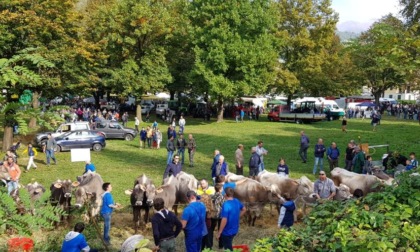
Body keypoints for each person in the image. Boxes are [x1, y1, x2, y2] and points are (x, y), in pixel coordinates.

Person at [209, 184, 224, 249]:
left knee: (211, 229)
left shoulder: (212, 196)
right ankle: (221, 245)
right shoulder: (221, 196)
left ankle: (210, 244)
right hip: (220, 214)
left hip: (213, 214)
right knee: (220, 229)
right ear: (220, 189)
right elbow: (223, 205)